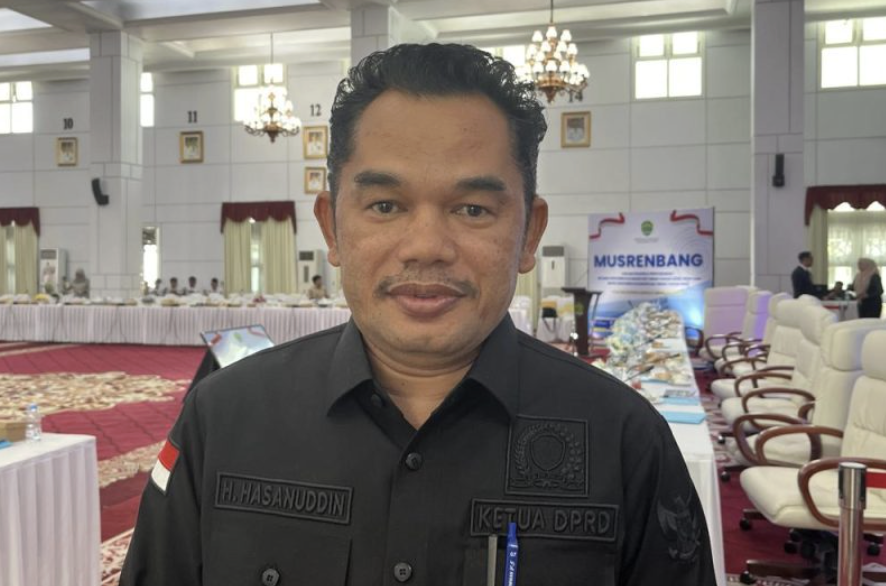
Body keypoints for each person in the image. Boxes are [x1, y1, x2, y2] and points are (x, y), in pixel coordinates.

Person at [121, 44, 715, 585]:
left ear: (529, 234)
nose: (426, 246)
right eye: (385, 205)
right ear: (332, 227)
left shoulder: (625, 440)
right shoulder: (223, 419)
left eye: (473, 209)